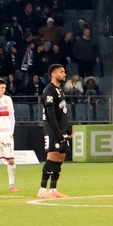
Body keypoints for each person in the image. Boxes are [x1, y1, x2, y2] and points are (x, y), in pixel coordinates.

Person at [38, 63, 72, 199]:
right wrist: (58, 133)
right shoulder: (49, 90)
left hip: (61, 129)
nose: (64, 74)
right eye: (61, 72)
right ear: (53, 74)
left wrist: (67, 130)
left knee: (60, 158)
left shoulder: (60, 90)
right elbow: (51, 115)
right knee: (52, 157)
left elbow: (61, 113)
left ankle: (53, 189)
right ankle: (42, 189)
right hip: (52, 130)